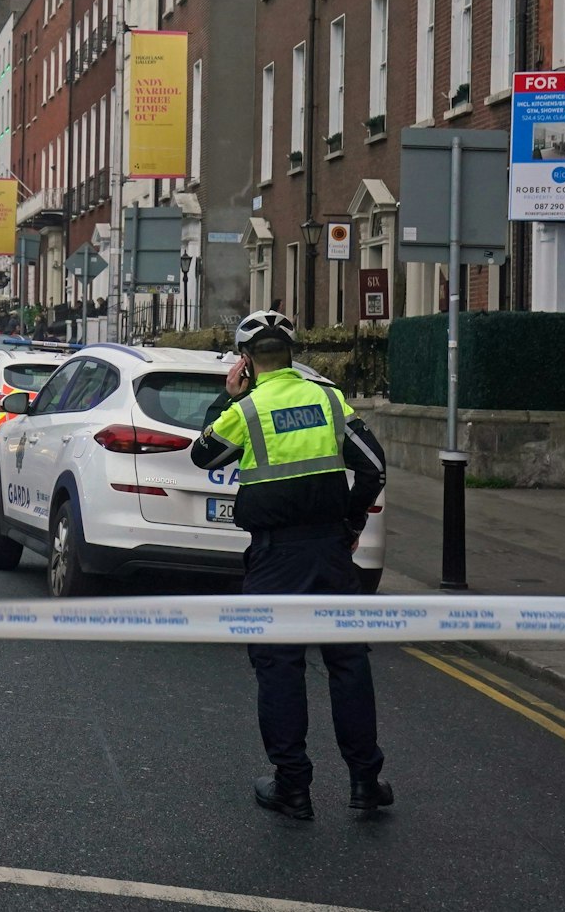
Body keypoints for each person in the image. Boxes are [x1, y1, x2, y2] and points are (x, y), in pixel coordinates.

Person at [189, 309, 393, 820]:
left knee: (280, 667)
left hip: (276, 556)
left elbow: (203, 456)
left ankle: (293, 787)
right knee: (348, 664)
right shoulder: (329, 399)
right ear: (294, 354)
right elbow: (373, 467)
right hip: (330, 550)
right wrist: (349, 526)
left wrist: (229, 398)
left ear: (246, 360)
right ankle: (365, 782)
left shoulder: (248, 409)